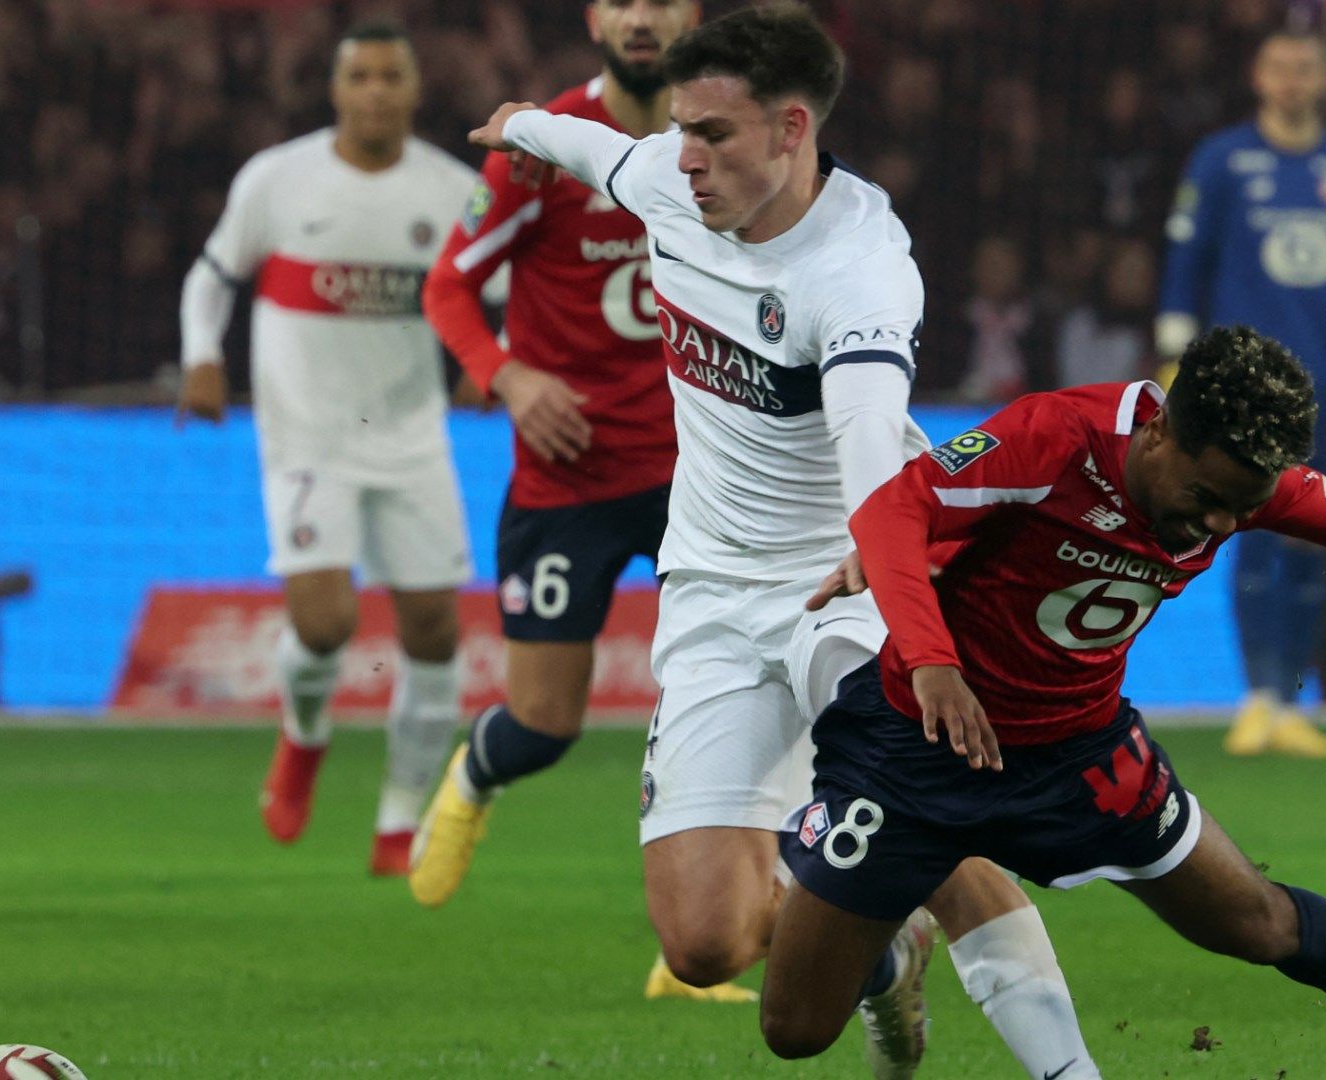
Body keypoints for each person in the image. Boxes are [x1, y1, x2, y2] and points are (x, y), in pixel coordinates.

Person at [418, 6, 1101, 1077]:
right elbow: (593, 147)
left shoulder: (862, 271)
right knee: (701, 945)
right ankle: (886, 958)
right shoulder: (669, 178)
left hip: (848, 578)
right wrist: (521, 125)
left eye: (712, 135)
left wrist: (894, 575)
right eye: (680, 130)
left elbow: (869, 434)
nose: (684, 158)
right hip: (711, 593)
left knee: (935, 843)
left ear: (792, 129)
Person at [761, 326, 1326, 1080]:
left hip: (1080, 751)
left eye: (1244, 506)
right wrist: (931, 660)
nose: (1224, 525)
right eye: (1208, 499)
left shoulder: (1234, 474)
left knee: (1255, 921)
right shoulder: (1056, 438)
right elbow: (891, 512)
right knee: (795, 1030)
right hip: (919, 746)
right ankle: (889, 958)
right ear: (1159, 434)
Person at [413, 0, 754, 1005]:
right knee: (545, 724)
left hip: (700, 478)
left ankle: (697, 950)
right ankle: (474, 774)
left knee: (733, 716)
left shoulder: (724, 138)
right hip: (565, 483)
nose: (642, 18)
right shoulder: (543, 147)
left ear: (693, 15)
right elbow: (447, 287)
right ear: (597, 16)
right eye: (622, 0)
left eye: (663, 0)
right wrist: (507, 376)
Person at [176, 22, 481, 876]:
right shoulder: (277, 180)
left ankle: (399, 818)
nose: (376, 91)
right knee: (324, 621)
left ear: (413, 90)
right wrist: (202, 359)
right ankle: (304, 735)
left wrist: (483, 356)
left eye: (391, 76)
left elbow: (506, 286)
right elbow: (211, 277)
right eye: (362, 76)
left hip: (410, 436)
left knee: (434, 634)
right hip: (309, 435)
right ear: (338, 90)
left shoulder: (455, 192)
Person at [1156, 28, 1326, 758]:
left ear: (1324, 79)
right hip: (1239, 384)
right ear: (1257, 75)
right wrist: (1173, 355)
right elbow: (1185, 261)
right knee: (1244, 522)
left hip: (1324, 382)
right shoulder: (1221, 160)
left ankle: (1288, 703)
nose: (1291, 79)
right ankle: (1256, 696)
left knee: (1314, 529)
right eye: (1279, 66)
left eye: (1304, 68)